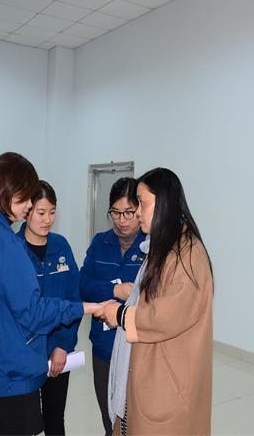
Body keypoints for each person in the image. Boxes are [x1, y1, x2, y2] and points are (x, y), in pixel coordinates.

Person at [0, 152, 106, 436]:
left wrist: (63, 341)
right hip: (11, 372)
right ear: (7, 190)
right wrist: (85, 308)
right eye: (27, 198)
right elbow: (34, 312)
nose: (29, 206)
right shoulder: (6, 243)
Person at [95, 168, 214, 435]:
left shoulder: (187, 254)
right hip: (148, 371)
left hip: (167, 382)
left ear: (164, 204)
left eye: (141, 203)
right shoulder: (162, 247)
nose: (137, 212)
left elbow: (165, 317)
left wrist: (121, 315)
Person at [79, 177, 146, 435]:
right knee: (110, 419)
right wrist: (115, 290)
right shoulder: (100, 242)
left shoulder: (150, 247)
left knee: (136, 420)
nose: (122, 220)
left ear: (139, 209)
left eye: (129, 212)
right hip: (104, 347)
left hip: (137, 348)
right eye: (116, 213)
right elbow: (83, 285)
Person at [17, 180, 81, 436]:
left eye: (52, 212)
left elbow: (73, 298)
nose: (48, 220)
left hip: (58, 352)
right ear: (27, 211)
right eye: (41, 213)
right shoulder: (13, 249)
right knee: (24, 423)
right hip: (23, 355)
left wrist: (63, 345)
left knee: (55, 420)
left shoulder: (61, 246)